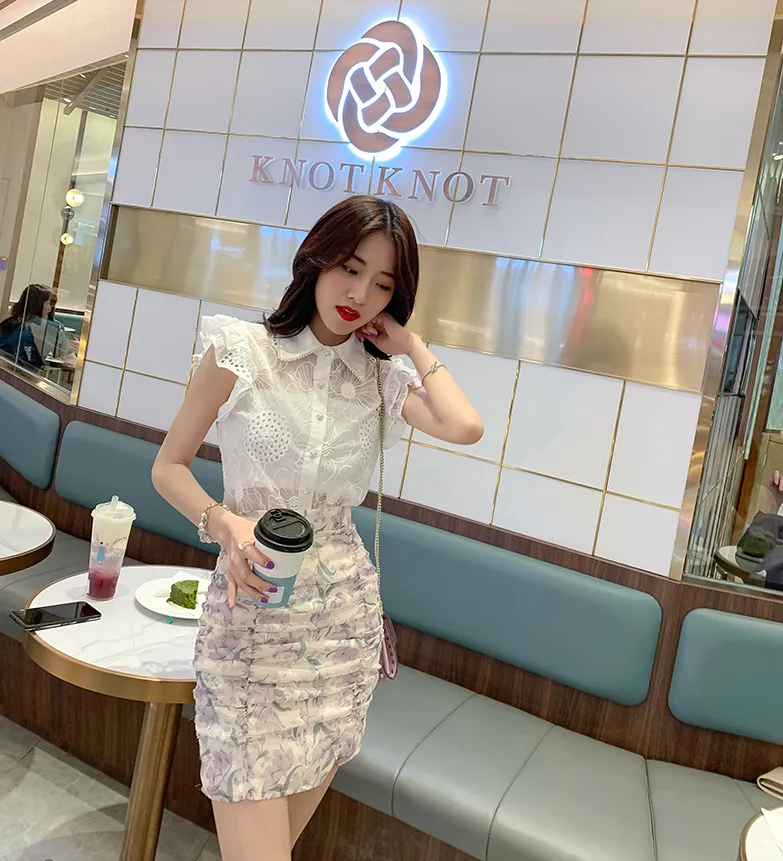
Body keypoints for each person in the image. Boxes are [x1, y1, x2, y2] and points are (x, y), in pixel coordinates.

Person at [152, 195, 483, 861]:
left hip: (338, 636)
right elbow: (168, 467)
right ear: (317, 258)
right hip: (250, 623)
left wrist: (410, 345)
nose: (359, 294)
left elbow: (464, 425)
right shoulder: (240, 351)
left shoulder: (381, 381)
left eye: (383, 284)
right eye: (350, 269)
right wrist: (224, 522)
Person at [0, 283, 52, 369]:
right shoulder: (29, 331)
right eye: (48, 303)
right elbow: (29, 367)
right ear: (37, 305)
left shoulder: (8, 323)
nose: (50, 308)